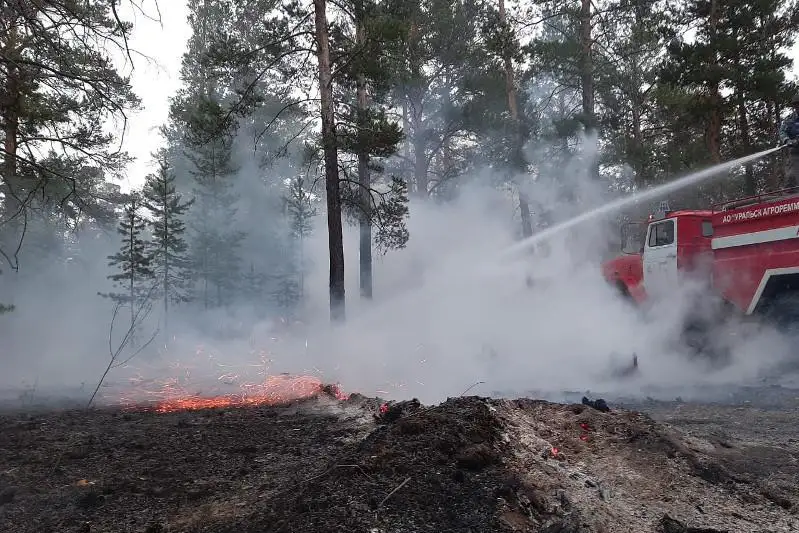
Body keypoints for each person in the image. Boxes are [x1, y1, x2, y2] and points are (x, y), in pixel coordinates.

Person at [779, 94, 799, 186]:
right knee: (791, 177)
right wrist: (787, 140)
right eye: (796, 104)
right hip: (795, 153)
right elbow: (782, 131)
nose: (798, 106)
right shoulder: (789, 120)